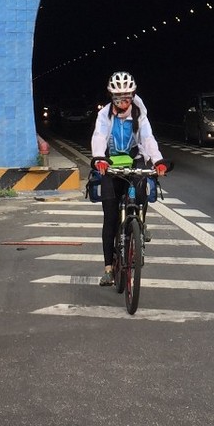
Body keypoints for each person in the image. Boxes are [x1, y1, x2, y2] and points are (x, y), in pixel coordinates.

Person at [89, 71, 167, 286]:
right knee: (110, 217)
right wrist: (99, 159)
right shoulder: (105, 115)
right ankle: (108, 269)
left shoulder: (139, 113)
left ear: (132, 95)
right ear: (110, 97)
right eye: (117, 98)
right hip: (111, 163)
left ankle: (139, 224)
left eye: (127, 97)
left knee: (141, 190)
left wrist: (158, 160)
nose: (123, 102)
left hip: (135, 160)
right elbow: (99, 136)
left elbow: (148, 137)